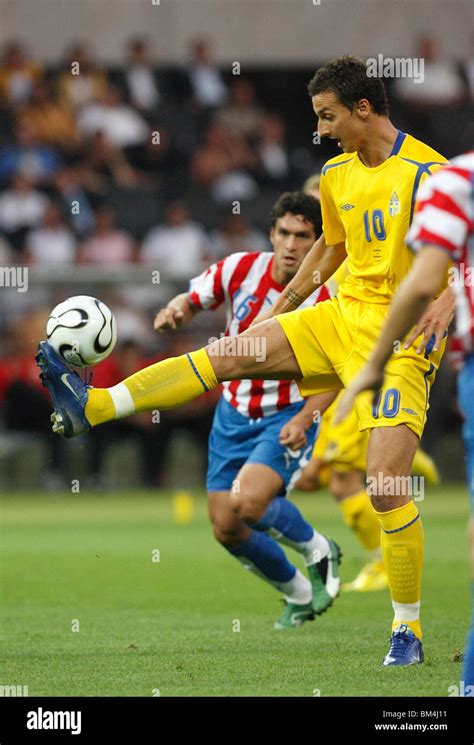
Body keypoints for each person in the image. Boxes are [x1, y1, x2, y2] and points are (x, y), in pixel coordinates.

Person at [36, 56, 454, 665]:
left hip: (401, 339)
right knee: (225, 353)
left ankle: (408, 632)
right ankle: (95, 405)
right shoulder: (336, 174)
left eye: (328, 116)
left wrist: (446, 300)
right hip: (338, 320)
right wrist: (279, 309)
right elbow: (331, 251)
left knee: (386, 485)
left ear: (364, 109)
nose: (322, 128)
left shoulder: (429, 172)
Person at [153, 191, 340, 629]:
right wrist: (174, 310)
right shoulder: (241, 268)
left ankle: (319, 549)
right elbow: (193, 296)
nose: (293, 245)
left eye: (305, 237)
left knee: (249, 503)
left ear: (317, 243)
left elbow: (336, 373)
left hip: (285, 414)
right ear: (272, 234)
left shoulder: (326, 297)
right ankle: (297, 592)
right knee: (226, 526)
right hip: (233, 413)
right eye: (286, 233)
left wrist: (304, 417)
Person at [335, 152, 474, 683]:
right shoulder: (449, 182)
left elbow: (421, 283)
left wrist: (446, 297)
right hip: (436, 360)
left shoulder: (444, 176)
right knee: (364, 480)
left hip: (424, 357)